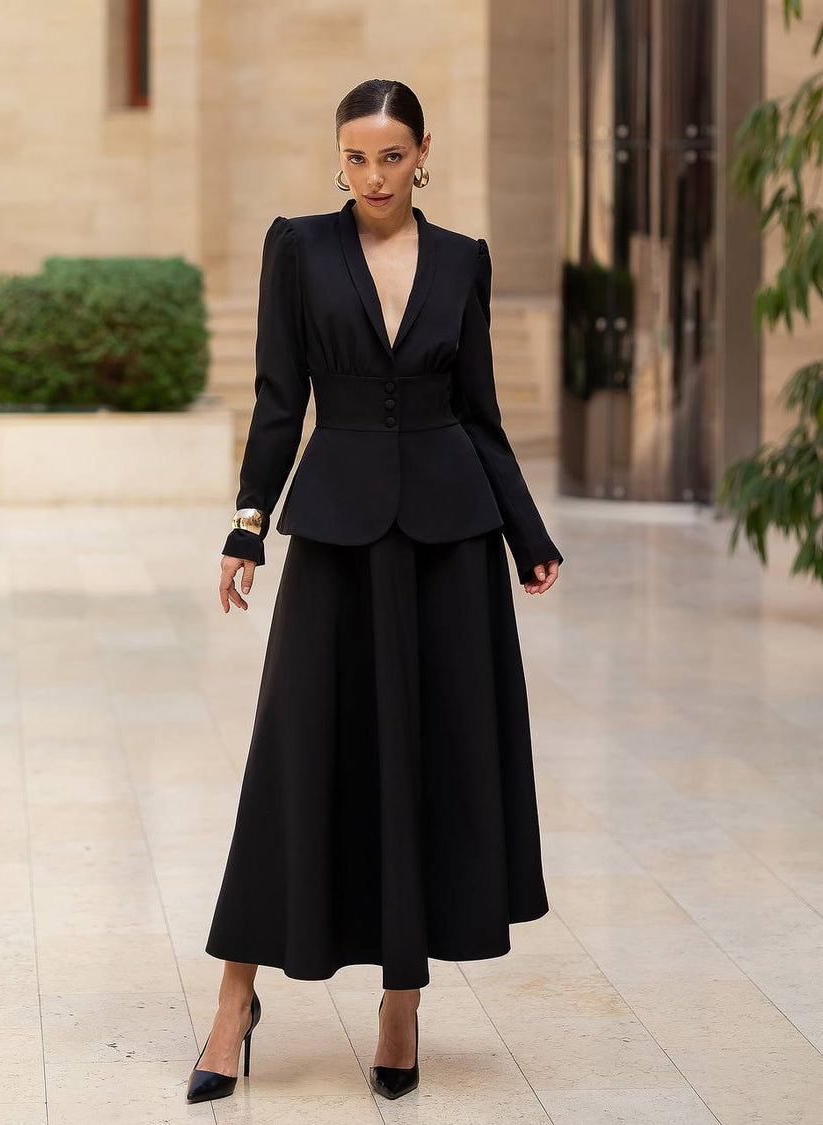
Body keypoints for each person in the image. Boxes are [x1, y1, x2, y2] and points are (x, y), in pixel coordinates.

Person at [187, 78, 564, 1106]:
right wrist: (247, 523)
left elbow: (480, 413)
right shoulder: (299, 248)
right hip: (339, 532)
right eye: (356, 157)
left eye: (392, 156)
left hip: (451, 543)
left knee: (428, 760)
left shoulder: (463, 259)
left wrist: (528, 534)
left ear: (423, 153)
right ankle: (234, 999)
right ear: (339, 156)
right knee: (296, 754)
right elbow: (279, 399)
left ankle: (403, 1000)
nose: (373, 176)